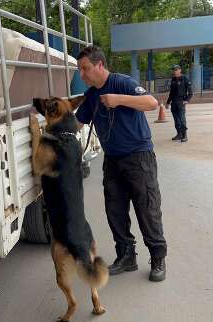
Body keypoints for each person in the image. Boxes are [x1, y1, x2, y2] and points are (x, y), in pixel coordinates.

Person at [75, 46, 168, 282]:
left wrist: (119, 100)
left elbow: (151, 103)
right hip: (113, 161)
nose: (82, 75)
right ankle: (126, 256)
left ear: (100, 65)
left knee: (147, 210)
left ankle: (158, 257)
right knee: (115, 211)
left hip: (139, 158)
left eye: (85, 69)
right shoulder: (90, 96)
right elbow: (77, 122)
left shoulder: (122, 83)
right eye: (80, 70)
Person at [165, 65, 192, 142]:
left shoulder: (185, 79)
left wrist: (187, 100)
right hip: (174, 102)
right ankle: (179, 134)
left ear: (180, 70)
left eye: (176, 70)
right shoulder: (173, 79)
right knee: (176, 120)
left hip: (181, 102)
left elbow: (190, 92)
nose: (175, 71)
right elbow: (171, 92)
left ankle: (184, 135)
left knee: (182, 119)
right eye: (174, 70)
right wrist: (168, 102)